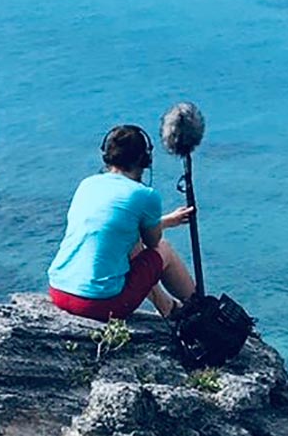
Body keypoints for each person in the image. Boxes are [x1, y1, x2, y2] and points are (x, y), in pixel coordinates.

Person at [47, 123, 197, 321]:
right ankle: (197, 306)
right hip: (98, 304)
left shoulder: (87, 184)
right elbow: (152, 244)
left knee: (129, 246)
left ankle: (169, 308)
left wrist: (167, 221)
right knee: (163, 249)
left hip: (59, 291)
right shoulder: (145, 195)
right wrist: (163, 224)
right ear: (145, 159)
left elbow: (114, 229)